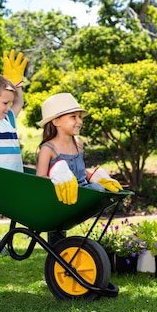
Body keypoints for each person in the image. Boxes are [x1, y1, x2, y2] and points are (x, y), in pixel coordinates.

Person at [36, 93, 122, 244]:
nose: (79, 121)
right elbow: (40, 179)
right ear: (56, 121)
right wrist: (58, 177)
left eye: (80, 117)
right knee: (58, 232)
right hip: (62, 197)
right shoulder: (48, 148)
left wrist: (97, 176)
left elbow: (81, 171)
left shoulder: (78, 142)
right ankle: (58, 251)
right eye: (73, 117)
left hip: (83, 191)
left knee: (99, 188)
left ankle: (62, 249)